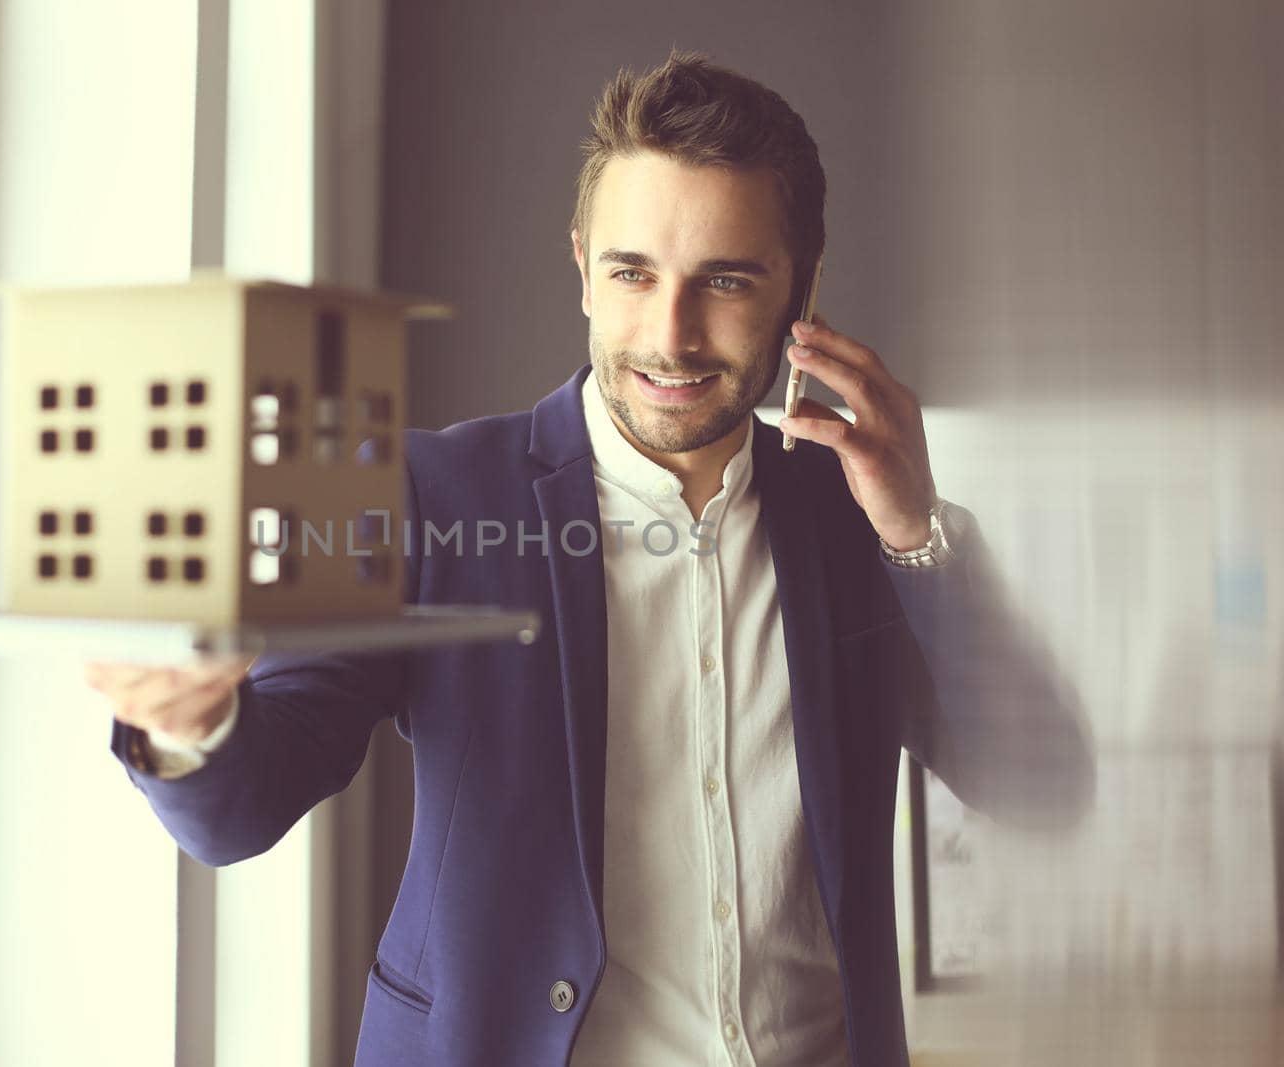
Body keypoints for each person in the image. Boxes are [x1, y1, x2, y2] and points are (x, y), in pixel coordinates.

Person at [89, 49, 1094, 1067]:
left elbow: (1045, 783)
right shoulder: (421, 495)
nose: (671, 334)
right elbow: (243, 803)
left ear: (803, 286)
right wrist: (191, 723)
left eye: (727, 280)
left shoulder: (863, 521)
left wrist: (917, 535)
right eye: (631, 273)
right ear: (581, 266)